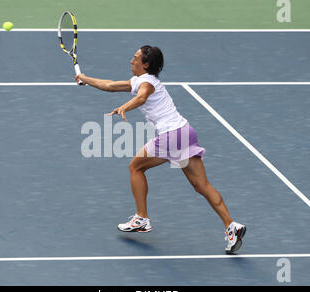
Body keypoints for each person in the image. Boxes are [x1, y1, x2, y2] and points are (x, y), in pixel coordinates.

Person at [75, 45, 246, 254]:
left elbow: (142, 98)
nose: (131, 60)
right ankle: (231, 226)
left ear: (146, 64)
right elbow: (110, 85)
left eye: (136, 58)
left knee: (135, 167)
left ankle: (141, 218)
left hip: (170, 136)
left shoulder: (146, 83)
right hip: (185, 131)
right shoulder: (140, 81)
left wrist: (125, 107)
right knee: (201, 185)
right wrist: (85, 78)